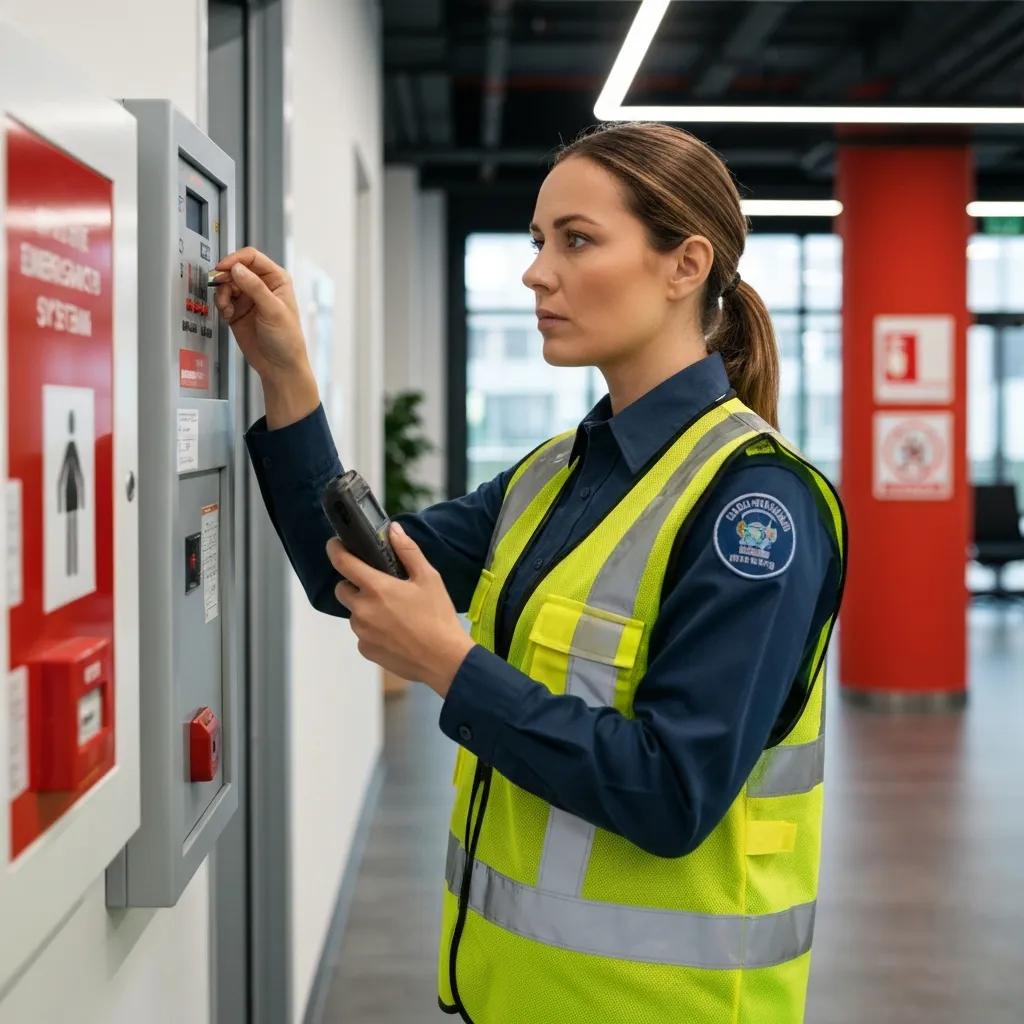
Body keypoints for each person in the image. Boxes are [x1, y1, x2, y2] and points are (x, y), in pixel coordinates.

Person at [215, 121, 848, 1024]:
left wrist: (449, 664)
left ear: (686, 264)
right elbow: (353, 575)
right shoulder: (556, 473)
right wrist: (288, 379)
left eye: (577, 240)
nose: (537, 272)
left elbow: (672, 794)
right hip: (513, 994)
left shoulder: (757, 509)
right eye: (537, 241)